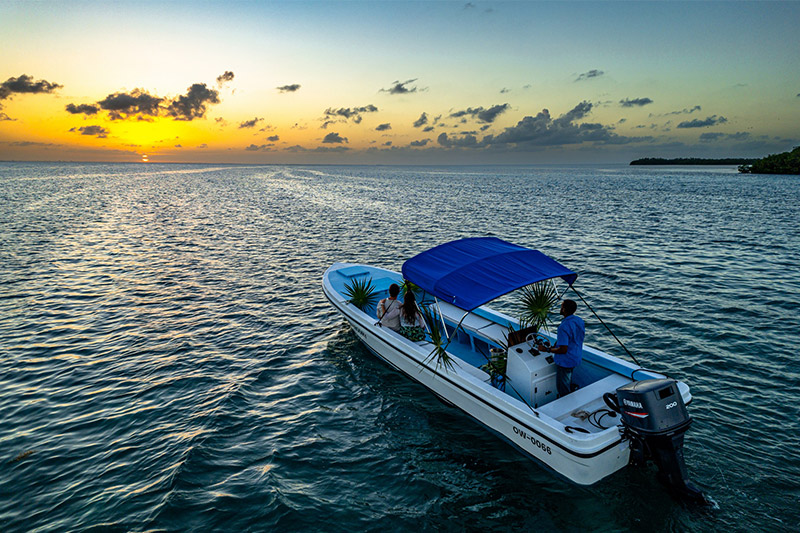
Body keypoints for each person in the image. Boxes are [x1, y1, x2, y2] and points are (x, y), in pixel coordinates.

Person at [537, 299, 585, 397]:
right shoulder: (579, 320)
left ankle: (566, 405)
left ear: (564, 310)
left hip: (565, 361)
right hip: (576, 357)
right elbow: (572, 337)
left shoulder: (563, 326)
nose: (560, 308)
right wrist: (557, 343)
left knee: (562, 387)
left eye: (561, 306)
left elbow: (563, 350)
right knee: (568, 380)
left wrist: (546, 349)